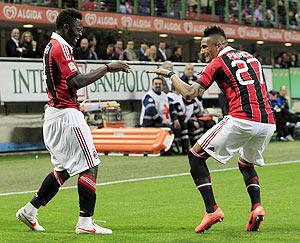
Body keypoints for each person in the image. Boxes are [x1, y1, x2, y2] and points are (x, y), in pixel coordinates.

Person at [149, 26, 275, 233]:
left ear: (219, 45)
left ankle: (212, 210)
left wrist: (171, 75)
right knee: (245, 163)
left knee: (195, 155)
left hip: (241, 119)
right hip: (267, 122)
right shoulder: (251, 58)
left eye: (205, 46)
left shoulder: (218, 62)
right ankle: (256, 207)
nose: (202, 51)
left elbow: (190, 93)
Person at [16, 8, 129, 235]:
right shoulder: (60, 47)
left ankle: (30, 210)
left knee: (64, 169)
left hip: (56, 114)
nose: (80, 34)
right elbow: (75, 81)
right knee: (90, 165)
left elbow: (64, 86)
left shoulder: (52, 45)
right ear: (66, 27)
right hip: (66, 116)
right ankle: (85, 223)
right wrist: (107, 67)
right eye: (78, 30)